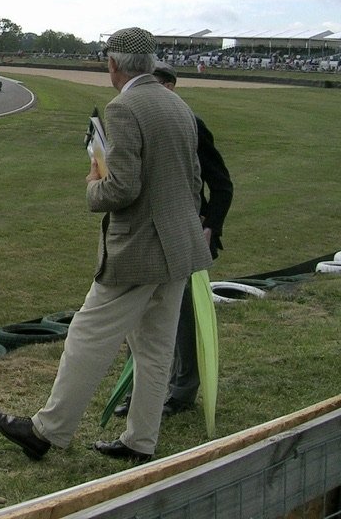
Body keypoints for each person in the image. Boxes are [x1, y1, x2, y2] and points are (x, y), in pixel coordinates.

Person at [0, 27, 213, 464]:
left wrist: (94, 183)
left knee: (87, 336)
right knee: (155, 351)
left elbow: (122, 189)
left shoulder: (124, 107)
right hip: (180, 248)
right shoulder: (178, 104)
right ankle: (139, 442)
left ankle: (45, 430)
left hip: (141, 250)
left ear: (112, 65)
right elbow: (193, 180)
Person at [113, 60, 233, 417]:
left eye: (165, 84)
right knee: (138, 318)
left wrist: (210, 226)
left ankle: (181, 391)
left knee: (181, 320)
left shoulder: (191, 124)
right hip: (148, 236)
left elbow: (222, 184)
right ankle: (136, 390)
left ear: (172, 87)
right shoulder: (135, 120)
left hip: (186, 236)